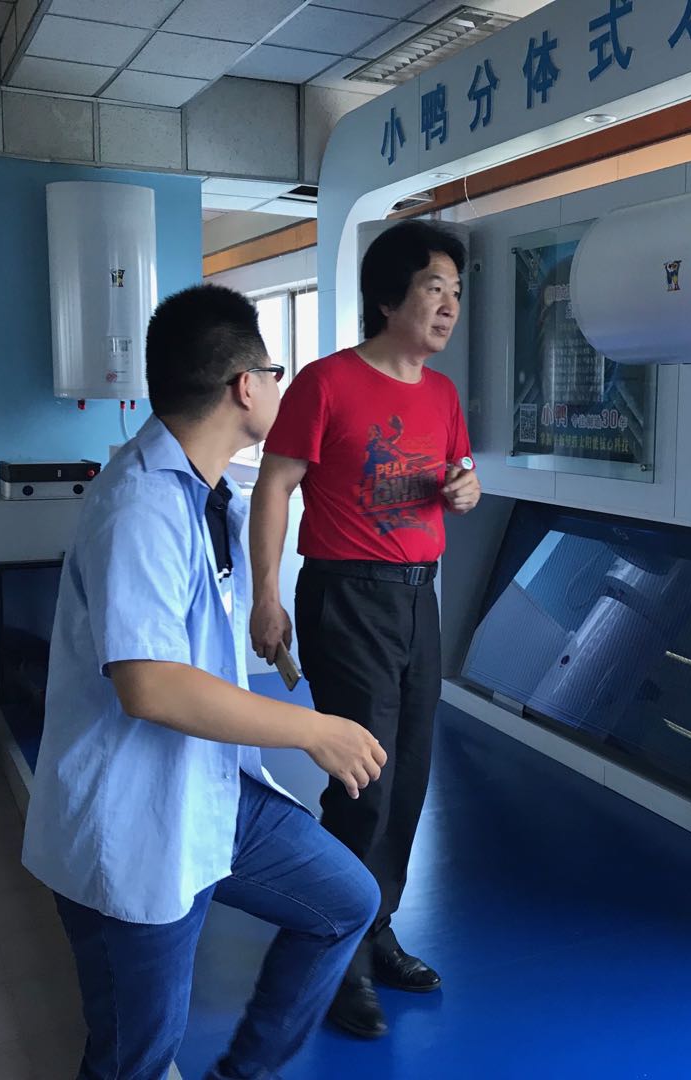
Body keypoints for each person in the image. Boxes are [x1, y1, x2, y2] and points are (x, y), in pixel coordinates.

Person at [21, 283, 388, 1080]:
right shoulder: (142, 504)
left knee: (345, 903)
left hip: (211, 794)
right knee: (134, 1058)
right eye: (276, 371)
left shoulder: (207, 492)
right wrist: (313, 729)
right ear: (245, 386)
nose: (281, 386)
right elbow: (150, 686)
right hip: (133, 818)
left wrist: (261, 611)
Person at [248, 221, 482, 1040]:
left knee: (409, 776)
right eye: (433, 289)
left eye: (456, 292)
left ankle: (374, 925)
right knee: (362, 779)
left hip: (420, 598)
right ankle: (335, 950)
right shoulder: (326, 383)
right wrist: (268, 595)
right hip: (347, 597)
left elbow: (459, 475)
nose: (449, 306)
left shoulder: (442, 395)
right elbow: (274, 487)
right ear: (388, 299)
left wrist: (465, 490)